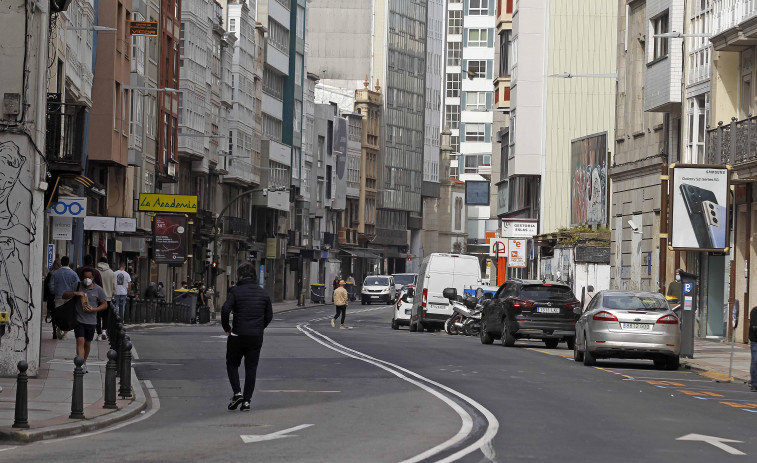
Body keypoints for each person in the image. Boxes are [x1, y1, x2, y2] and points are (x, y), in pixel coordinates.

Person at [222, 263, 272, 412]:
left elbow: (225, 310)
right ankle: (247, 401)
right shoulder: (263, 293)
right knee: (251, 368)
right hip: (255, 337)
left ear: (241, 276)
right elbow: (269, 315)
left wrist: (227, 329)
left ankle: (237, 393)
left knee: (231, 363)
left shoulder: (235, 292)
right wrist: (259, 327)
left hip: (237, 334)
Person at [63, 269, 107, 373]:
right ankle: (80, 364)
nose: (86, 280)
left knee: (87, 343)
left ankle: (85, 361)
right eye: (85, 277)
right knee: (80, 341)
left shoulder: (98, 290)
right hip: (78, 319)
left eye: (89, 277)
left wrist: (94, 309)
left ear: (93, 278)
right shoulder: (77, 285)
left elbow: (105, 304)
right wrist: (74, 293)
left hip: (91, 321)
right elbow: (64, 295)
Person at [50, 256, 81, 339]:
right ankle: (65, 331)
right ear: (68, 263)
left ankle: (58, 328)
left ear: (61, 263)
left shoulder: (55, 273)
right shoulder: (74, 274)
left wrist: (55, 292)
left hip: (59, 296)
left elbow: (51, 286)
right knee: (68, 314)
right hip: (69, 297)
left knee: (58, 313)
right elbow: (78, 284)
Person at [96, 257, 116, 341]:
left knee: (97, 316)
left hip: (96, 297)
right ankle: (104, 330)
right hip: (107, 297)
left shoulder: (95, 271)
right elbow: (114, 286)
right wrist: (112, 294)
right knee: (106, 316)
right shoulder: (111, 272)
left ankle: (99, 334)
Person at [44, 259, 61, 339]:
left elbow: (46, 286)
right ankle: (59, 328)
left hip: (51, 297)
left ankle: (54, 329)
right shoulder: (61, 274)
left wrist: (45, 297)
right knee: (59, 313)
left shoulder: (50, 274)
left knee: (53, 314)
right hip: (59, 296)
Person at [750, 305, 757, 392]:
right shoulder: (755, 311)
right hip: (755, 340)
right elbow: (754, 327)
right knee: (755, 361)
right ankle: (754, 384)